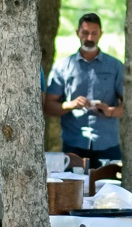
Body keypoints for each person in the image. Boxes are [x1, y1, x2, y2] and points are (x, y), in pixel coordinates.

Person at [43, 12, 127, 165]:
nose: (89, 38)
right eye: (85, 33)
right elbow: (48, 106)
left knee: (111, 188)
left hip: (107, 144)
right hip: (74, 143)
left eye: (94, 33)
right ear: (77, 33)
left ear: (101, 34)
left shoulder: (115, 66)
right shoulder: (63, 67)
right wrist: (71, 104)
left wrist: (110, 111)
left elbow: (129, 105)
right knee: (73, 188)